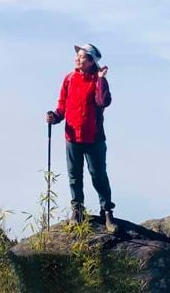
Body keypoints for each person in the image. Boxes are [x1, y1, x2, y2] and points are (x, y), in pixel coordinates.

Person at [46, 43, 116, 232]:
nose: (77, 58)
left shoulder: (97, 80)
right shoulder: (69, 79)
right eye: (77, 55)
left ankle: (107, 211)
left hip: (94, 138)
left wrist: (101, 79)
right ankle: (77, 210)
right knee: (74, 176)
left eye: (82, 56)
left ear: (91, 61)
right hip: (72, 137)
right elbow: (62, 107)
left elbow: (103, 101)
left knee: (98, 176)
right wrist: (55, 117)